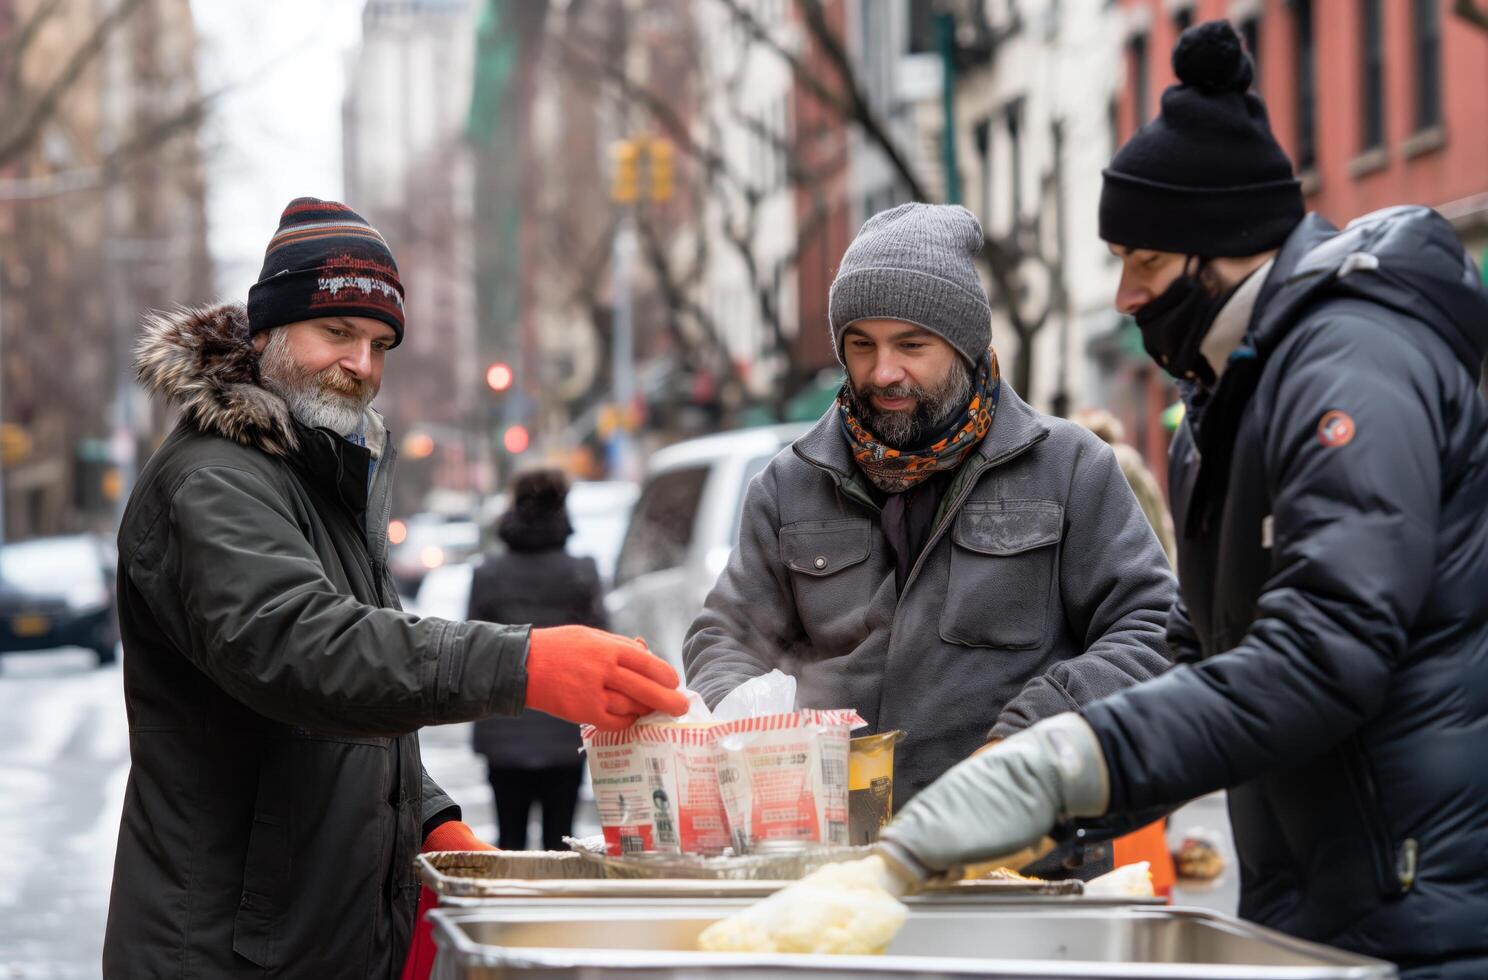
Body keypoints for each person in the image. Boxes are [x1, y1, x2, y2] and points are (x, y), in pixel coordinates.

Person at [876, 23, 1488, 977]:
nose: (1125, 296)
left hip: (1421, 907)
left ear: (1226, 251)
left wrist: (1072, 763)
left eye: (1146, 264)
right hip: (1330, 897)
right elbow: (1204, 643)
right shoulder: (1230, 393)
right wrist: (1057, 780)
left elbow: (1327, 648)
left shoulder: (1351, 367)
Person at [105, 198, 687, 978]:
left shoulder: (321, 476)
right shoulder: (214, 478)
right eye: (336, 333)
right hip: (224, 954)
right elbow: (300, 650)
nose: (363, 365)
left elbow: (356, 709)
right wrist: (525, 665)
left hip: (317, 939)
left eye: (381, 343)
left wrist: (431, 821)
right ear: (269, 331)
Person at [683, 202, 1177, 879]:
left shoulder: (1070, 468)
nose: (884, 372)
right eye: (862, 345)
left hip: (1025, 866)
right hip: (832, 869)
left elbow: (1153, 630)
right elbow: (724, 635)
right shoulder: (787, 483)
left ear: (965, 346)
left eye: (911, 345)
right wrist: (748, 722)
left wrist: (1033, 734)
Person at [468, 469, 606, 851]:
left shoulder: (487, 573)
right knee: (560, 842)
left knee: (508, 843)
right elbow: (602, 648)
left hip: (503, 729)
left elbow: (472, 650)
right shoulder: (582, 573)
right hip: (565, 731)